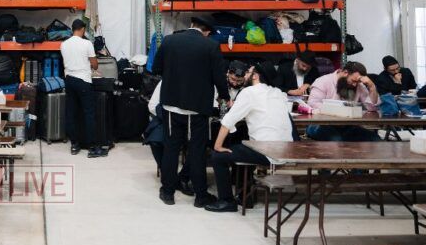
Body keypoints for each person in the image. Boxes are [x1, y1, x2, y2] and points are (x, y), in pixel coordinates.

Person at [153, 14, 229, 207]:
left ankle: (168, 193)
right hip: (197, 108)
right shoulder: (211, 46)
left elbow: (156, 68)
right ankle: (200, 196)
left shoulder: (169, 41)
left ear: (192, 24)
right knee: (197, 152)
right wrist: (225, 96)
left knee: (171, 150)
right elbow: (219, 77)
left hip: (171, 105)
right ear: (207, 31)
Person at [205, 64, 294, 212]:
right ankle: (246, 197)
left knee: (218, 156)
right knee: (243, 147)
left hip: (267, 151)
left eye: (248, 72)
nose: (245, 75)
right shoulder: (278, 93)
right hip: (286, 150)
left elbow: (228, 120)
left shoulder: (249, 92)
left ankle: (227, 201)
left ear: (255, 76)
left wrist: (217, 146)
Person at [60, 19, 105, 158]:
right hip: (83, 81)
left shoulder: (64, 44)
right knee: (89, 114)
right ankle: (92, 148)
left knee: (71, 113)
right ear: (82, 29)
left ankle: (74, 145)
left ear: (72, 29)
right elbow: (95, 65)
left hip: (69, 80)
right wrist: (90, 63)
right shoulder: (87, 43)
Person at [306, 61, 381, 142]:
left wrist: (372, 86)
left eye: (358, 82)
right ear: (345, 73)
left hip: (347, 126)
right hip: (321, 124)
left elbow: (371, 108)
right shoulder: (323, 81)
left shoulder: (359, 85)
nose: (355, 85)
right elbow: (312, 103)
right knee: (337, 141)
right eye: (353, 81)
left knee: (375, 139)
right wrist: (339, 110)